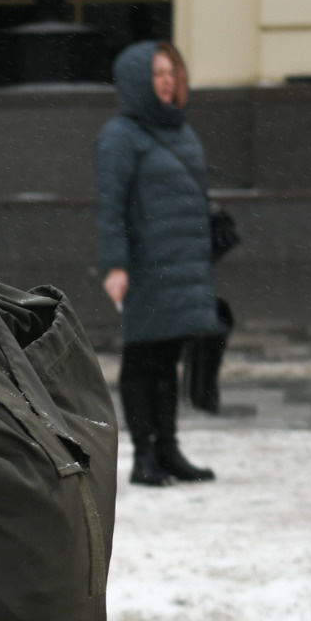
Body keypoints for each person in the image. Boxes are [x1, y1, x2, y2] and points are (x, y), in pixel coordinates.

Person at [96, 39, 222, 487]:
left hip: (183, 262)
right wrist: (116, 266)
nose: (167, 83)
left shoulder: (182, 131)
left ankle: (168, 449)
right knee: (142, 357)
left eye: (173, 74)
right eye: (158, 74)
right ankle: (143, 455)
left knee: (169, 358)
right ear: (136, 81)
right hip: (145, 266)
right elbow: (110, 207)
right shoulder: (119, 137)